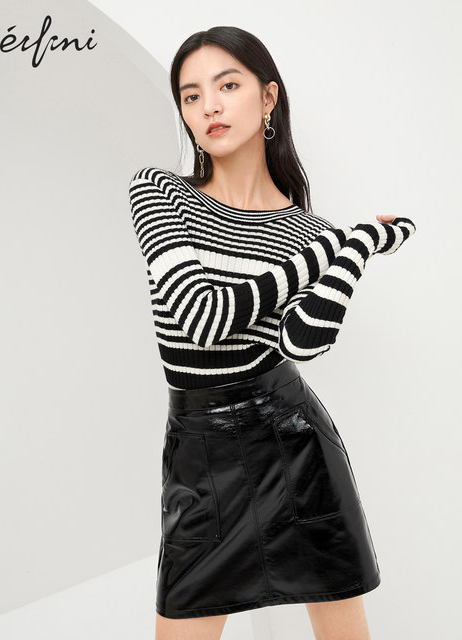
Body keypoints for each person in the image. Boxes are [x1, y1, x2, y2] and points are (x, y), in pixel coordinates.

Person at [128, 26, 416, 640]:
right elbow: (201, 318)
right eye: (190, 95)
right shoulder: (159, 192)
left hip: (295, 445)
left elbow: (304, 342)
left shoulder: (311, 232)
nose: (209, 106)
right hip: (198, 454)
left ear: (267, 98)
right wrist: (342, 244)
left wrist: (356, 246)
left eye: (227, 86)